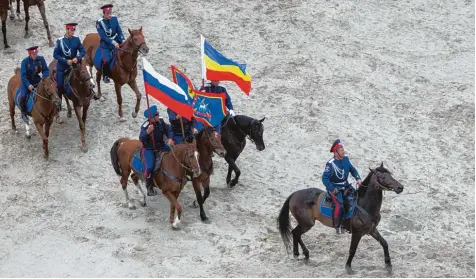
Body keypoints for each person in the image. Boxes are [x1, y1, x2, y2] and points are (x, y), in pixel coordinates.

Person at [322, 139, 362, 234]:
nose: (343, 151)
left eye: (343, 149)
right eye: (341, 150)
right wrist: (332, 189)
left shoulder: (346, 159)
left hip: (346, 185)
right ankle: (337, 225)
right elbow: (324, 178)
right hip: (335, 188)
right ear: (335, 152)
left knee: (355, 198)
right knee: (339, 205)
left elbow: (352, 169)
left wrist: (358, 178)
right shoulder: (330, 164)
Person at [139, 105, 174, 196]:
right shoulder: (146, 126)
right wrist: (147, 132)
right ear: (151, 118)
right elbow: (141, 138)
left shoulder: (160, 121)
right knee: (150, 166)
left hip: (161, 146)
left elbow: (168, 129)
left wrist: (170, 138)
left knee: (175, 153)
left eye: (158, 114)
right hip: (149, 148)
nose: (158, 116)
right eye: (156, 115)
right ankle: (149, 186)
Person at [52, 23, 86, 111]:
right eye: (71, 30)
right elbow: (55, 54)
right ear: (67, 30)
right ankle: (59, 103)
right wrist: (65, 61)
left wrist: (77, 58)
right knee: (59, 85)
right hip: (63, 67)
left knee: (85, 78)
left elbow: (83, 51)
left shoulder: (77, 39)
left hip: (75, 65)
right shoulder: (60, 41)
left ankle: (89, 94)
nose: (73, 32)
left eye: (74, 30)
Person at [95, 4, 125, 83]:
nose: (109, 15)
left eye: (110, 12)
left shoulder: (114, 19)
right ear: (104, 13)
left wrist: (122, 39)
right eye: (107, 13)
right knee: (106, 60)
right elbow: (103, 36)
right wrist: (112, 42)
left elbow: (119, 30)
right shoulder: (99, 23)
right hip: (106, 44)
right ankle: (105, 76)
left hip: (116, 40)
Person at [19, 46, 49, 122]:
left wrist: (44, 77)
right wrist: (28, 85)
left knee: (48, 91)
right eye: (33, 54)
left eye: (36, 53)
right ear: (30, 54)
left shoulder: (41, 59)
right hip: (27, 82)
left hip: (38, 80)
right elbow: (23, 76)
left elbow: (46, 70)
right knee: (23, 96)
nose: (35, 55)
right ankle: (23, 113)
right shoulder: (25, 62)